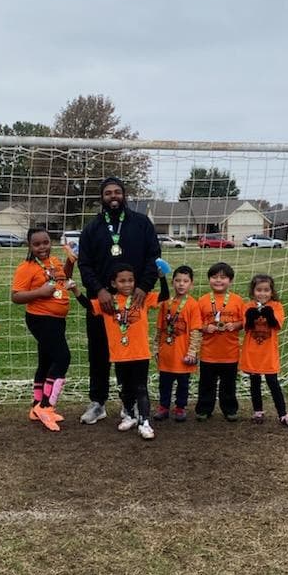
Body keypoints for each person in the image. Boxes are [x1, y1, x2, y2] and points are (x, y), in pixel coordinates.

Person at [78, 176, 161, 424]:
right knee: (99, 352)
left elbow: (153, 257)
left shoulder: (141, 223)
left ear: (124, 195)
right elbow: (85, 264)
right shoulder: (92, 228)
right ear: (102, 198)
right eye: (107, 193)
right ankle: (98, 402)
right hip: (102, 304)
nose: (113, 196)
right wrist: (99, 291)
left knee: (131, 354)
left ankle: (130, 404)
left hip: (133, 302)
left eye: (117, 192)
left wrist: (145, 286)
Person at [77, 262, 168, 439]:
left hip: (140, 352)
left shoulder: (142, 298)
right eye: (122, 281)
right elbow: (89, 305)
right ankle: (130, 416)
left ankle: (145, 422)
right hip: (119, 354)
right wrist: (75, 290)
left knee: (141, 388)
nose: (127, 284)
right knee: (124, 388)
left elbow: (164, 296)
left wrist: (162, 277)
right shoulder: (108, 303)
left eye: (130, 280)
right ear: (113, 284)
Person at [11, 227, 79, 431]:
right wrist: (40, 292)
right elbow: (15, 296)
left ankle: (36, 405)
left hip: (57, 319)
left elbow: (62, 278)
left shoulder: (55, 261)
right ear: (30, 246)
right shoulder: (26, 267)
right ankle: (47, 406)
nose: (42, 247)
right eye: (37, 244)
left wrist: (70, 261)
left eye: (46, 242)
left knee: (46, 360)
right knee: (63, 358)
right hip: (41, 319)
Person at [240, 274, 288, 427]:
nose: (262, 294)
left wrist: (269, 315)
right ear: (253, 292)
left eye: (266, 290)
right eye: (259, 290)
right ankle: (258, 411)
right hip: (252, 352)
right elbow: (246, 327)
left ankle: (283, 414)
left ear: (272, 292)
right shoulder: (247, 306)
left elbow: (277, 325)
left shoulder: (277, 306)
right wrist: (251, 317)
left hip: (268, 353)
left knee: (273, 383)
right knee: (255, 382)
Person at [195, 261, 245, 422]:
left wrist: (234, 325)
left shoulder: (237, 300)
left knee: (228, 385)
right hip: (208, 353)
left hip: (230, 353)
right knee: (206, 384)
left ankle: (230, 409)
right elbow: (196, 324)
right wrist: (205, 327)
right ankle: (204, 409)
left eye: (223, 277)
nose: (218, 281)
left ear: (230, 281)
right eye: (214, 277)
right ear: (209, 279)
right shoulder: (202, 301)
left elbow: (244, 322)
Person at [153, 265, 202, 422]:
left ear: (191, 284)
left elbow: (196, 331)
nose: (181, 284)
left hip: (183, 355)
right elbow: (159, 329)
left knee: (183, 384)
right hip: (166, 353)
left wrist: (192, 352)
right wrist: (156, 348)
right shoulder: (165, 303)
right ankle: (163, 407)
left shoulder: (193, 305)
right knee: (164, 383)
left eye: (185, 281)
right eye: (178, 280)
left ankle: (180, 407)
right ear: (172, 282)